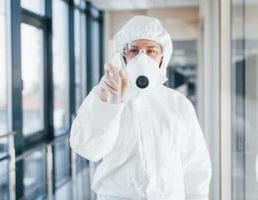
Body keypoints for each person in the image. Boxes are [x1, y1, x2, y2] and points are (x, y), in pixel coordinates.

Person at [69, 15, 211, 200]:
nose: (142, 58)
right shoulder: (105, 93)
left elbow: (195, 165)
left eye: (151, 51)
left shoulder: (178, 104)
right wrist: (108, 107)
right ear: (123, 55)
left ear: (162, 57)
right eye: (134, 50)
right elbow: (88, 149)